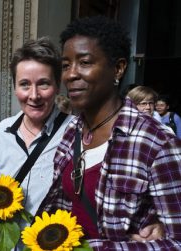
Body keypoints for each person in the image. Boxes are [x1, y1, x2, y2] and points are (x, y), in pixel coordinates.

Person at [38, 16, 181, 250]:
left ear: (118, 68)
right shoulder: (70, 131)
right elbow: (63, 205)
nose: (70, 74)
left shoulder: (156, 143)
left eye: (84, 62)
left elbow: (177, 242)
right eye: (65, 65)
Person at [0, 37, 74, 251]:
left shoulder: (75, 132)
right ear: (14, 87)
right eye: (25, 84)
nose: (34, 95)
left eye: (43, 83)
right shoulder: (3, 130)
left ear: (57, 85)